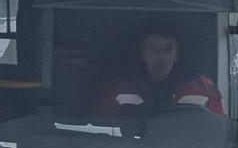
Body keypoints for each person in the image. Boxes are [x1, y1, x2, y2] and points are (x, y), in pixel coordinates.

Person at [96, 29, 225, 117]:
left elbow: (217, 136)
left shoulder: (202, 90)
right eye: (153, 48)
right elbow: (99, 131)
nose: (161, 56)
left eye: (168, 49)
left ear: (177, 53)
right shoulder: (117, 89)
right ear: (142, 53)